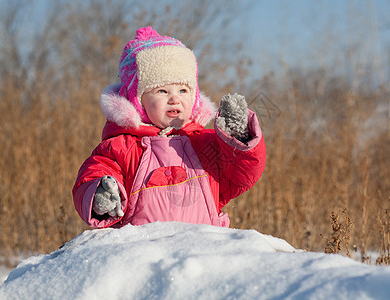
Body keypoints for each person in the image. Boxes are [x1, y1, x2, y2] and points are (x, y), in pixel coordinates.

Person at [72, 26, 266, 228]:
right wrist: (100, 196)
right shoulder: (122, 148)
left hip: (203, 251)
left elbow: (242, 173)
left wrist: (237, 138)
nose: (175, 98)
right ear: (138, 101)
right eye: (162, 91)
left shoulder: (206, 144)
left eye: (183, 90)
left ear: (194, 97)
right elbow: (93, 173)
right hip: (141, 252)